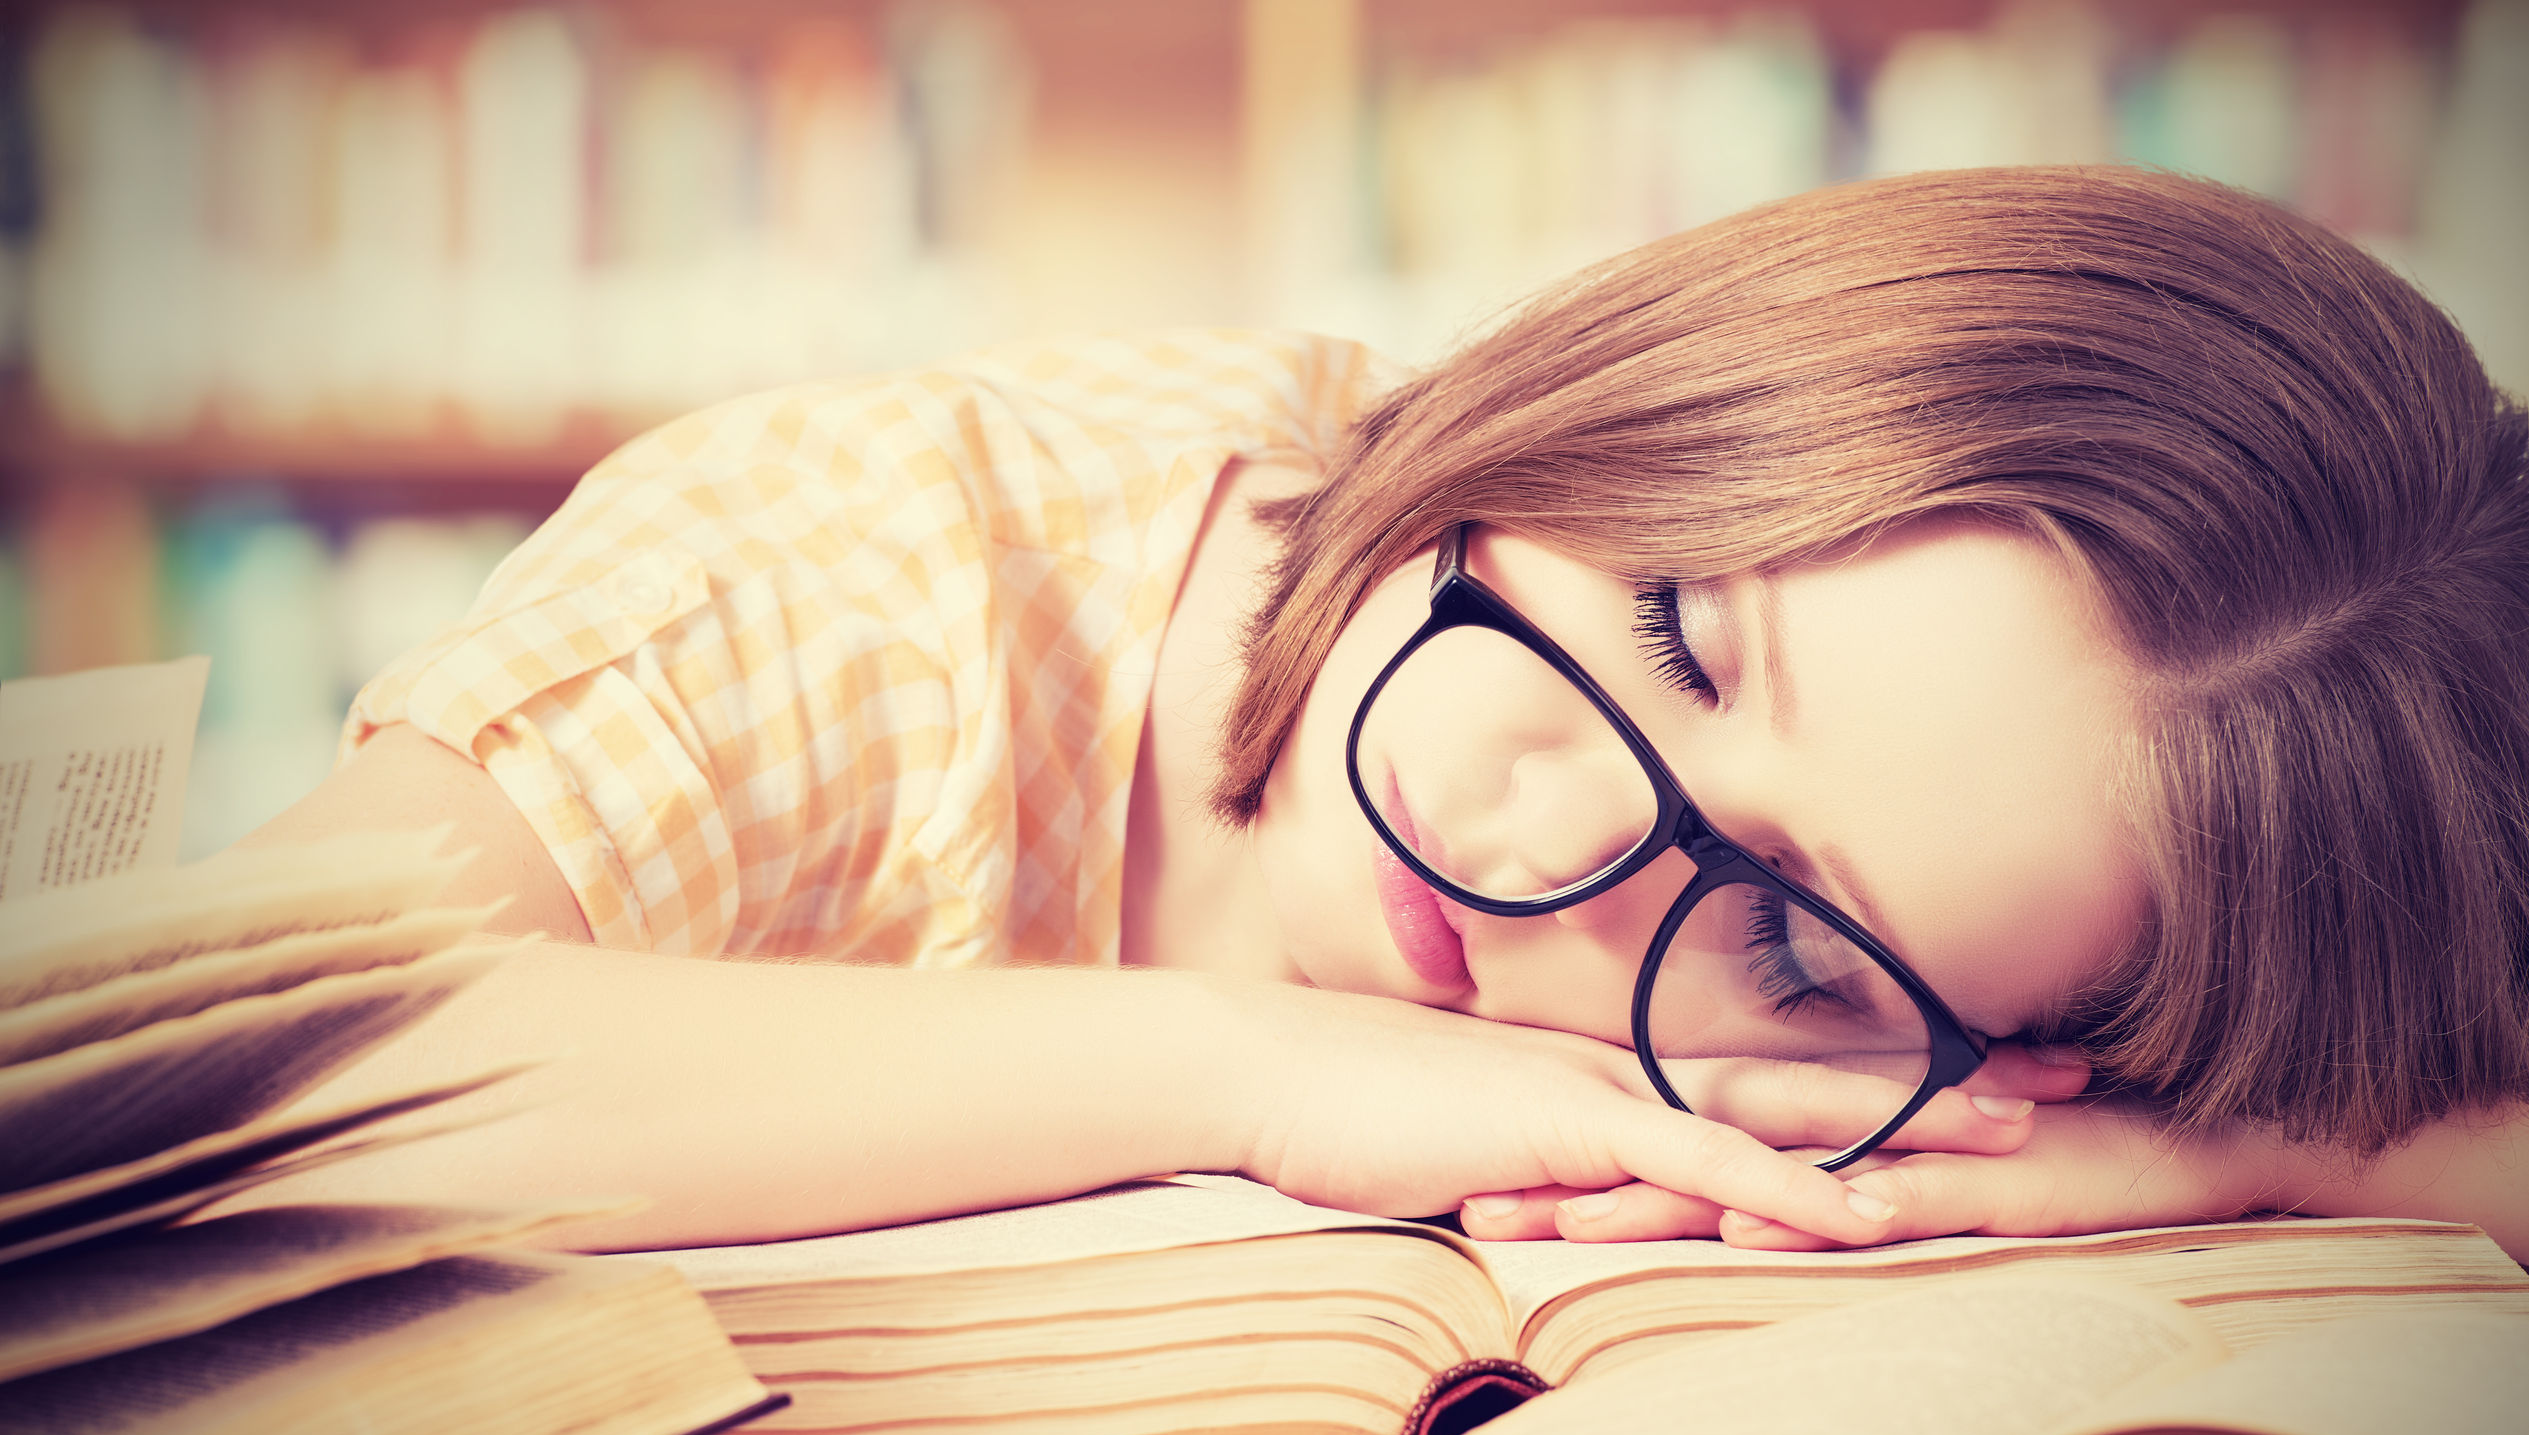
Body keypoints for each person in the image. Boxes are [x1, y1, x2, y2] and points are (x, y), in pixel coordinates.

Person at [249, 166, 2529, 1261]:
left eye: (1801, 949)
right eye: (1666, 634)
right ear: (1639, 382)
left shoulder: (1898, 1079)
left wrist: (2252, 1139)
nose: (1544, 854)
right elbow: (242, 1080)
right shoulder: (863, 567)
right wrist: (1237, 1066)